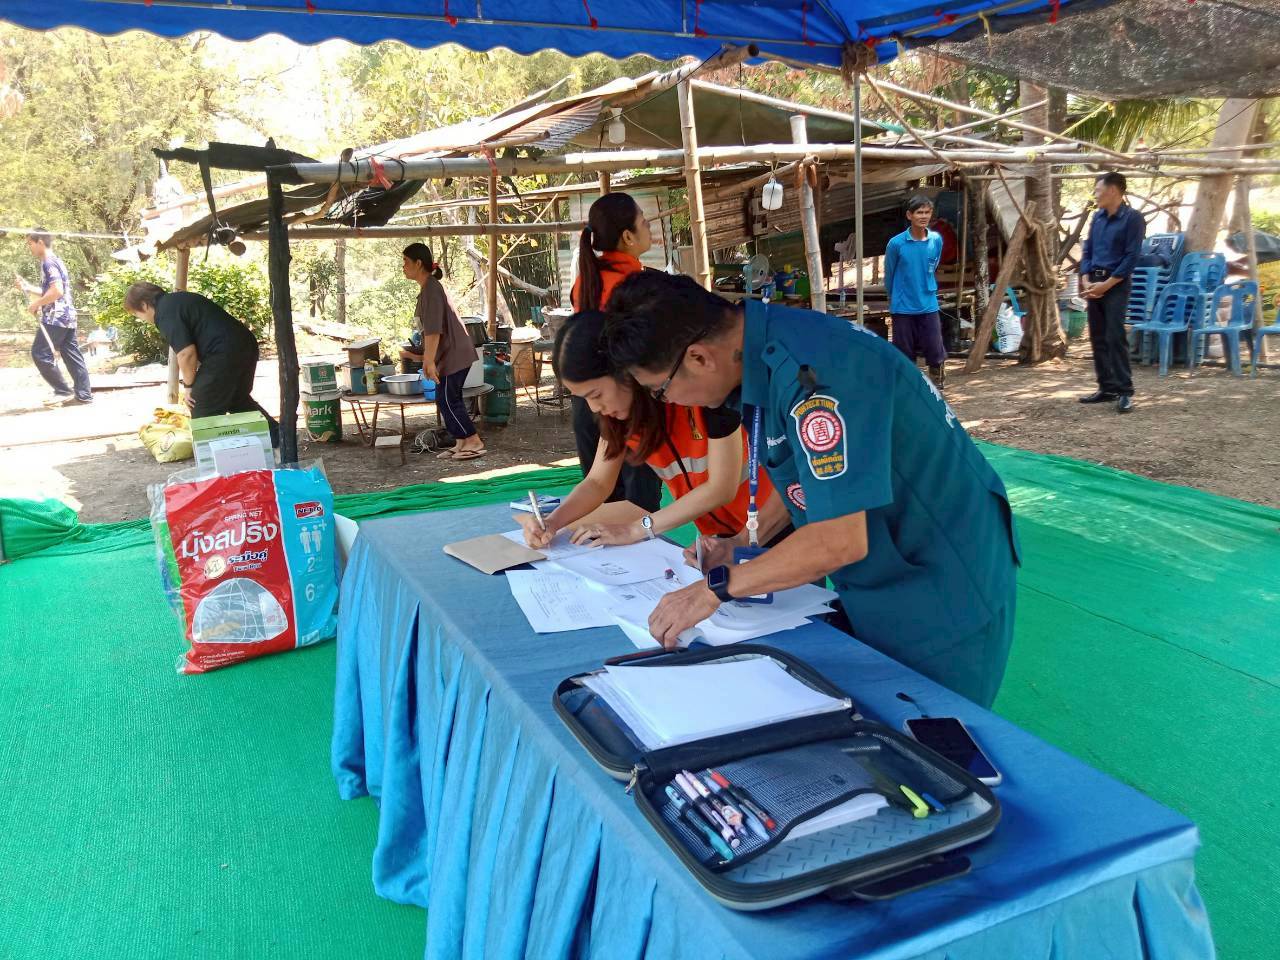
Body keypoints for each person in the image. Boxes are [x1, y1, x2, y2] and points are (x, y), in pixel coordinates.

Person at [605, 272, 1020, 709]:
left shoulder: (815, 377)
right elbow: (804, 478)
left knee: (931, 731)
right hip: (884, 574)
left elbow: (838, 539)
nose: (668, 402)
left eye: (660, 390)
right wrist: (743, 541)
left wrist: (715, 588)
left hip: (944, 585)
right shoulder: (760, 355)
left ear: (698, 357)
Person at [517, 309, 785, 552]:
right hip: (721, 536)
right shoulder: (621, 417)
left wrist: (635, 529)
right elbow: (598, 482)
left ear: (627, 373)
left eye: (596, 394)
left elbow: (720, 488)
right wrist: (553, 521)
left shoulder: (701, 395)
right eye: (583, 398)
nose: (594, 408)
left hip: (775, 525)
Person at [568, 192, 662, 513]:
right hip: (628, 400)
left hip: (589, 403)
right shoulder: (637, 284)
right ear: (627, 236)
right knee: (639, 505)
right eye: (644, 223)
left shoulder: (585, 280)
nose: (650, 228)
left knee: (600, 499)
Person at [122, 283, 278, 444]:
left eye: (137, 314)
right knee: (236, 399)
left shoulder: (164, 313)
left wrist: (189, 386)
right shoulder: (178, 301)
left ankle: (210, 453)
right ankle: (278, 436)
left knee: (200, 403)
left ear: (144, 305)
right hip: (244, 344)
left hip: (224, 351)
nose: (141, 319)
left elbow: (186, 353)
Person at [400, 242, 485, 461]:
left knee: (448, 398)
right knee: (445, 398)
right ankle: (461, 441)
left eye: (406, 262)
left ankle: (473, 440)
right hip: (449, 354)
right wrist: (422, 355)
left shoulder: (431, 288)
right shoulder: (427, 289)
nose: (403, 266)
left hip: (454, 353)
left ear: (419, 263)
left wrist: (428, 361)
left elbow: (433, 330)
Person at [1079, 172, 1146, 414]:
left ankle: (1124, 390)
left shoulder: (1133, 219)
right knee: (1097, 336)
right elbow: (1087, 251)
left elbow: (1131, 256)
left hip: (1116, 283)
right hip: (1094, 282)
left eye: (1098, 190)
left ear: (1113, 191)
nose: (1095, 195)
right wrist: (1086, 279)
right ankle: (1106, 387)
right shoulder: (1097, 218)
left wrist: (1106, 285)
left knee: (1115, 336)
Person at [14, 229, 92, 405]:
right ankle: (83, 395)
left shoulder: (48, 263)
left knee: (40, 353)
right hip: (67, 316)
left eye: (30, 243)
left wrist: (36, 304)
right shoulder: (55, 260)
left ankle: (62, 391)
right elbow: (51, 290)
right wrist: (27, 287)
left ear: (40, 242)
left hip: (56, 317)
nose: (29, 247)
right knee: (72, 355)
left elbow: (57, 291)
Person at [884, 194, 947, 388]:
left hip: (928, 302)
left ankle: (937, 383)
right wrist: (893, 298)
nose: (924, 216)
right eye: (919, 212)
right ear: (909, 215)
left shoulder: (936, 240)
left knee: (935, 347)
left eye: (927, 212)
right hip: (903, 305)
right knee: (904, 350)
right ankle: (908, 387)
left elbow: (933, 265)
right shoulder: (896, 244)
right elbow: (889, 273)